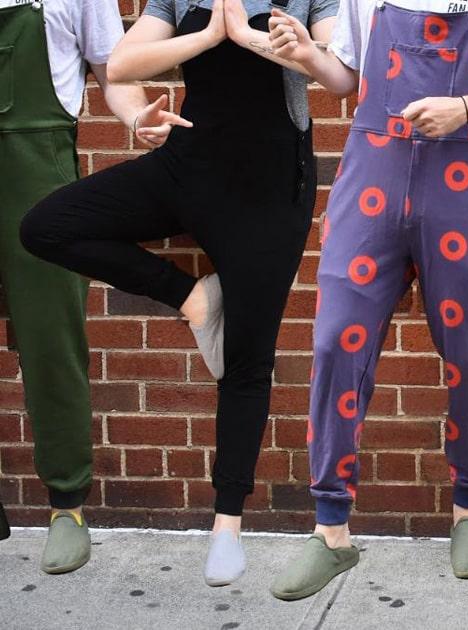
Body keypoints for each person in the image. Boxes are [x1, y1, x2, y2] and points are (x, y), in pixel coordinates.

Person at [20, 0, 337, 587]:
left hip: (272, 192)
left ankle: (227, 524)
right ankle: (193, 297)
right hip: (188, 168)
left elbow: (340, 74)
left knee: (246, 360)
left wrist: (261, 40)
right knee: (47, 226)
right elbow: (121, 64)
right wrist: (212, 34)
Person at [263, 0, 468, 600]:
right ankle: (331, 528)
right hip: (371, 173)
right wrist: (309, 58)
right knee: (335, 340)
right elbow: (350, 78)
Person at [0, 0, 187, 574]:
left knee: (50, 340)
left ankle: (66, 504)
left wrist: (136, 119)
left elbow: (115, 72)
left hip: (33, 165)